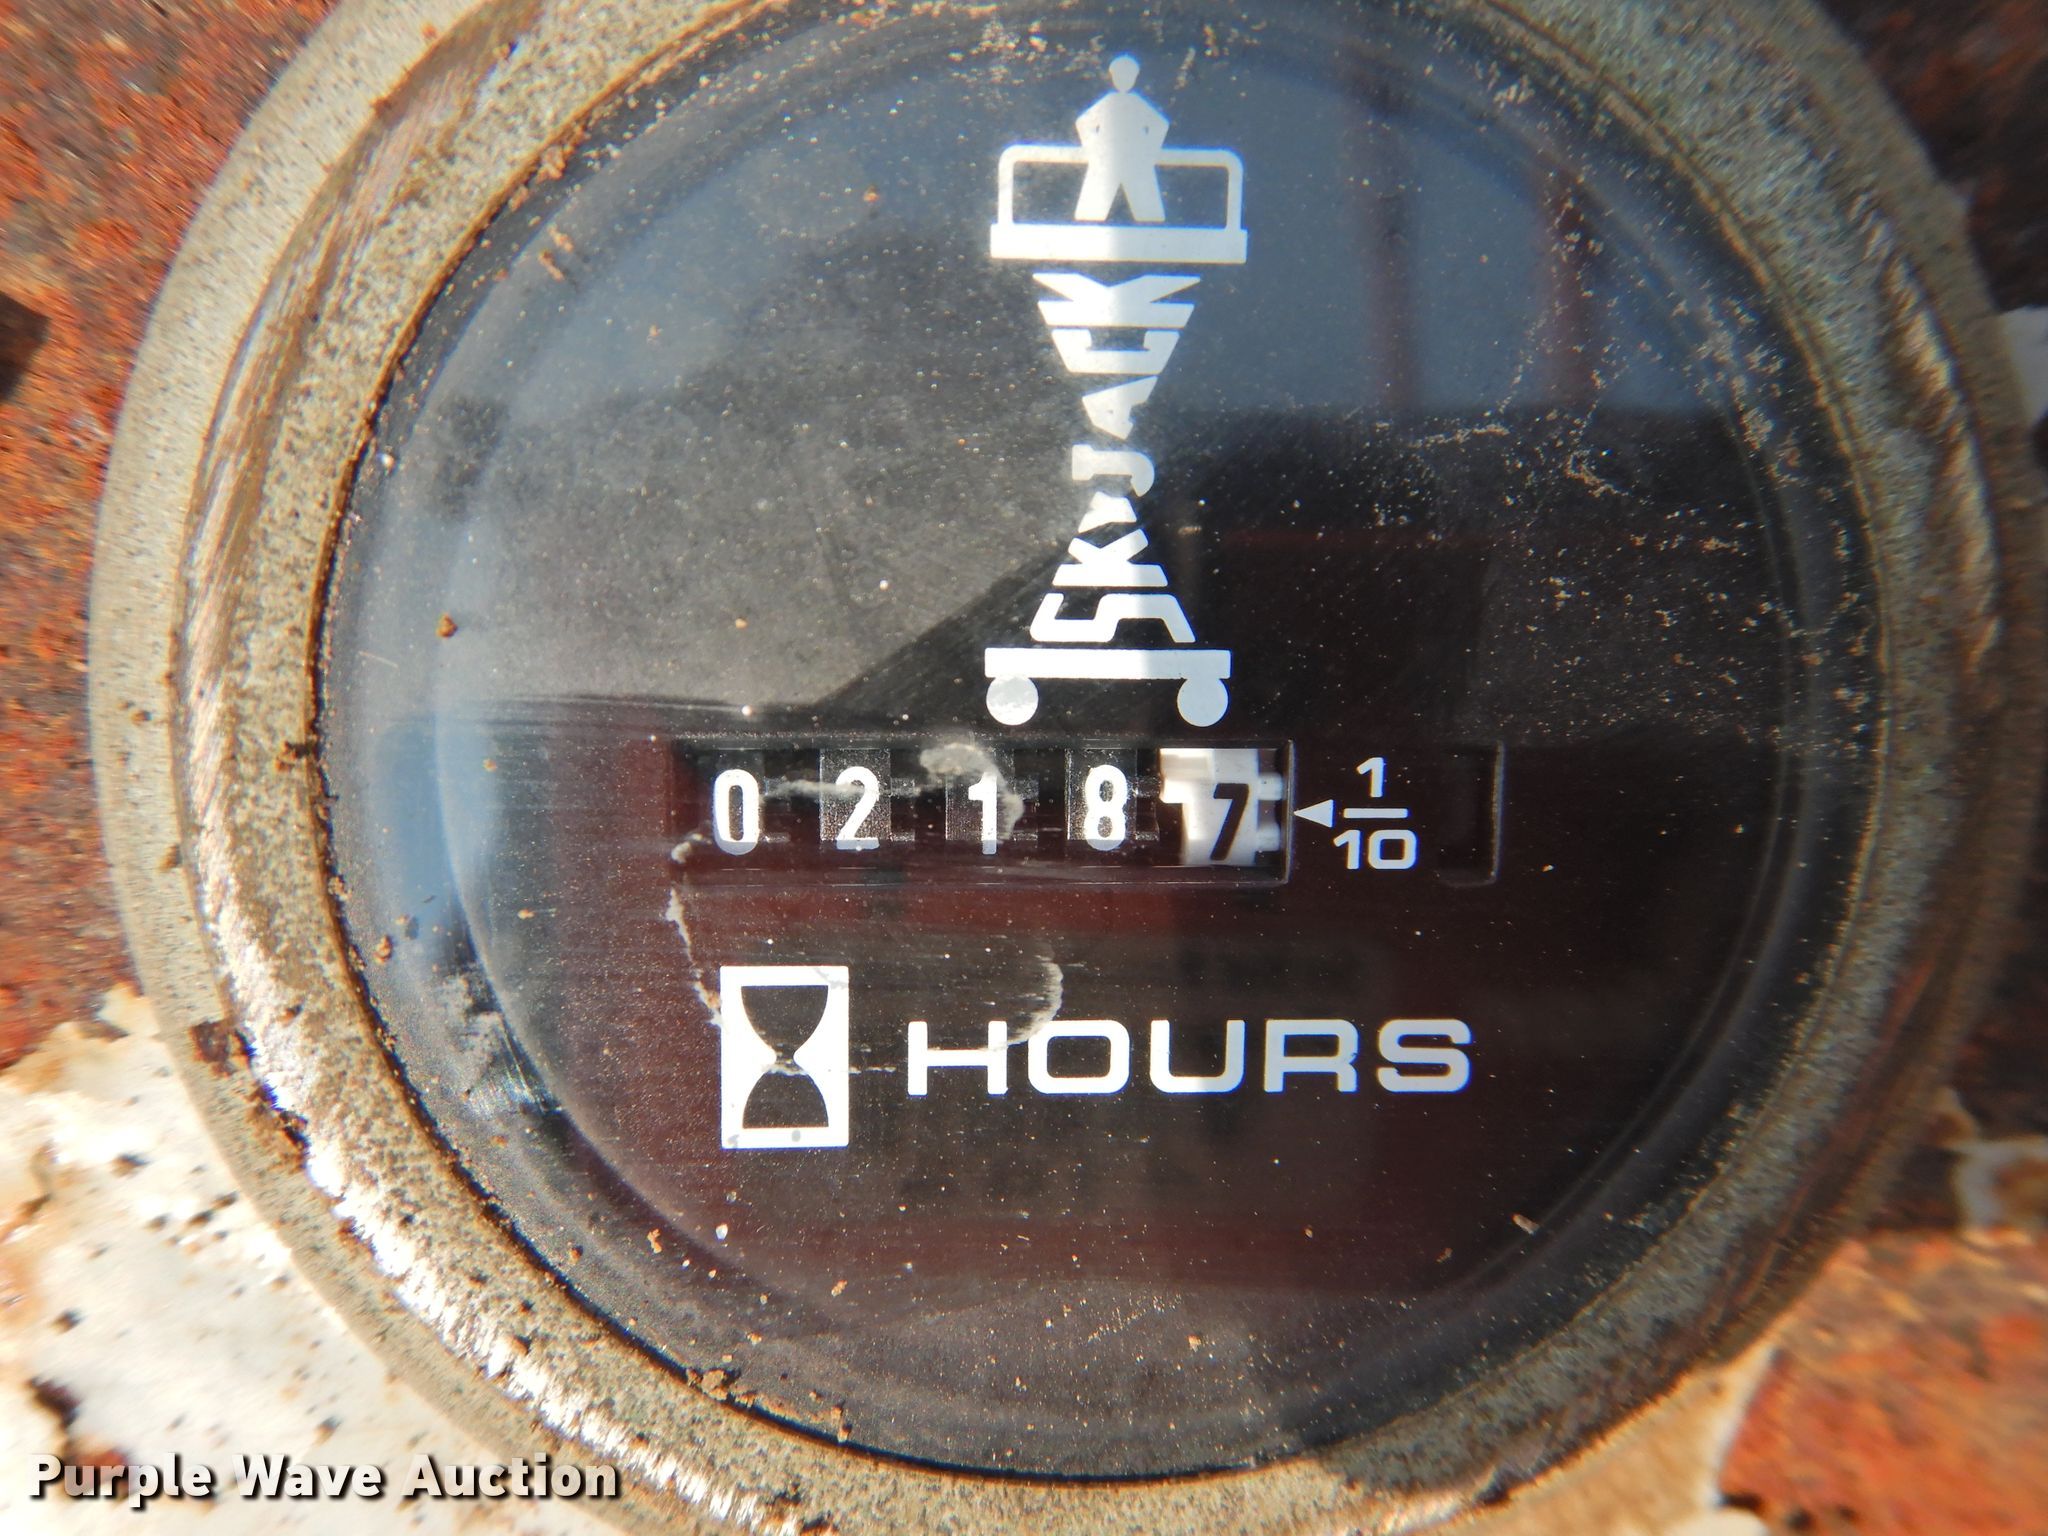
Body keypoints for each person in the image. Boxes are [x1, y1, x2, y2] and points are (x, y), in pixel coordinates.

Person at [1073, 56, 1170, 224]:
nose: (1124, 80)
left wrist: (1149, 151)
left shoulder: (1137, 103)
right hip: (1108, 160)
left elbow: (1159, 125)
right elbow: (1084, 123)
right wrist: (1095, 149)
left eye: (1128, 76)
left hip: (1135, 161)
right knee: (1091, 210)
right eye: (1120, 75)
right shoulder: (1109, 102)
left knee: (1148, 212)